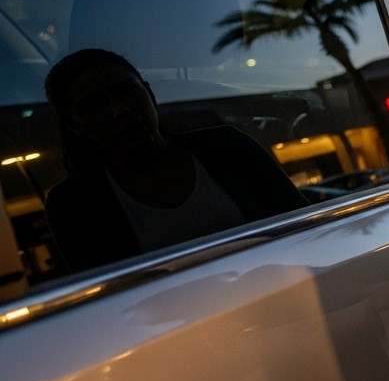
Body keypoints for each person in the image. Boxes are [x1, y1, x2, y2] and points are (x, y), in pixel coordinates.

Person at [43, 48, 307, 273]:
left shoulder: (227, 146)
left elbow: (305, 227)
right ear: (73, 126)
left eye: (126, 92)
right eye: (94, 105)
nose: (118, 111)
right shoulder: (73, 205)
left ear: (150, 94)